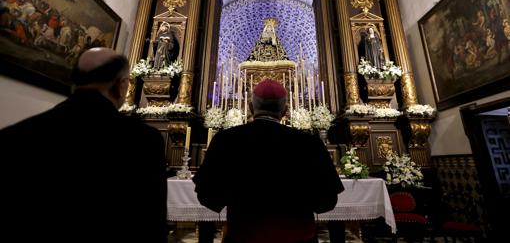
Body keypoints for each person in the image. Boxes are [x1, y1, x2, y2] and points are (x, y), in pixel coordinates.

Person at [0, 48, 168, 243]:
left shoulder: (14, 135)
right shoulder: (144, 140)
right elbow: (151, 222)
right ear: (121, 85)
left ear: (75, 80)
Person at [193, 79, 343, 243]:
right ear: (285, 111)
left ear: (250, 108)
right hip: (298, 238)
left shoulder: (226, 140)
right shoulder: (310, 143)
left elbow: (207, 196)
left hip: (244, 237)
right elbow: (327, 201)